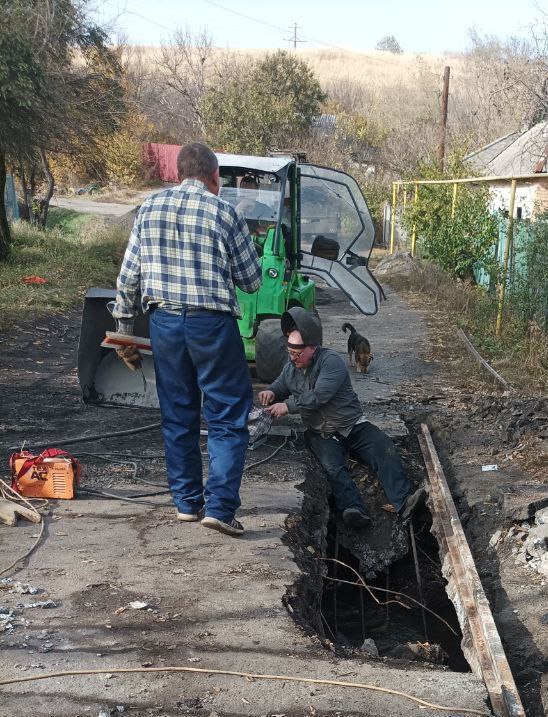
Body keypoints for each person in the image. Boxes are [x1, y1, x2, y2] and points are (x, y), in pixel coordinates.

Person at [112, 142, 262, 537]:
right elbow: (251, 280)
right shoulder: (224, 212)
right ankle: (221, 508)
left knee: (177, 414)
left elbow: (129, 278)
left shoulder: (148, 209)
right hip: (210, 324)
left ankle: (187, 504)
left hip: (164, 323)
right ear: (215, 177)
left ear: (178, 175)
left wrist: (125, 330)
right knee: (228, 415)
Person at [258, 307, 426, 529]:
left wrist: (287, 406)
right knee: (333, 468)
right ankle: (353, 509)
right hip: (322, 433)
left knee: (384, 449)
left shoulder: (331, 362)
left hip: (352, 426)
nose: (293, 357)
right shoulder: (291, 366)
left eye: (298, 353)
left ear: (313, 348)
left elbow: (319, 396)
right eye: (290, 352)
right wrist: (271, 392)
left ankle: (404, 502)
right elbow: (281, 384)